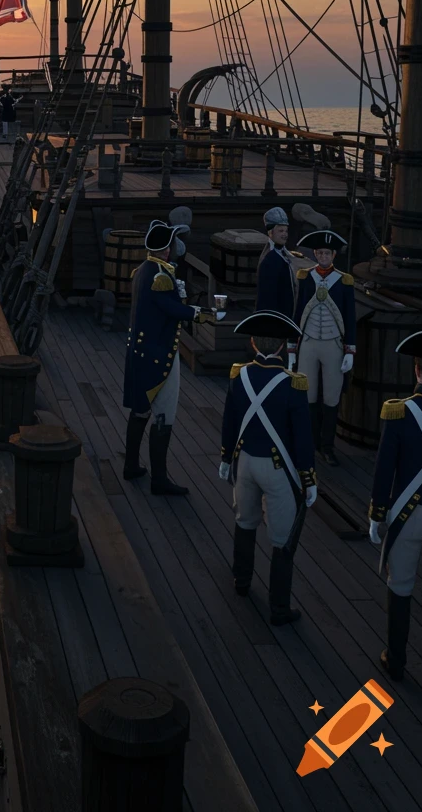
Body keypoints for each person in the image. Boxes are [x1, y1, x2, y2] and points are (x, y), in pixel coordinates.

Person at [219, 311, 317, 625]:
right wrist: (308, 478)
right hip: (278, 470)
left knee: (245, 522)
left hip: (245, 462)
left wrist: (225, 459)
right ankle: (278, 608)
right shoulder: (294, 384)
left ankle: (242, 581)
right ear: (283, 347)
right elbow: (302, 439)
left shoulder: (239, 375)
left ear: (253, 342)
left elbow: (230, 422)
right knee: (282, 539)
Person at [123, 219, 216, 495]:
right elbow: (172, 309)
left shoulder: (143, 269)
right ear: (166, 249)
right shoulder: (161, 277)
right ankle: (159, 479)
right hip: (159, 353)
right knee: (164, 412)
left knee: (140, 410)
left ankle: (130, 465)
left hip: (141, 351)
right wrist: (204, 314)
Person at [368, 330, 422, 680]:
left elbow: (384, 469)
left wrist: (378, 513)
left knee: (401, 587)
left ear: (417, 371)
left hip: (408, 514)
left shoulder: (399, 412)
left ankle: (396, 660)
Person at [293, 230, 357, 467]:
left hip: (333, 344)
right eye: (319, 253)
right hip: (308, 342)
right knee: (307, 396)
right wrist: (292, 349)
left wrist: (350, 350)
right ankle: (309, 444)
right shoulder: (305, 277)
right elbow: (298, 312)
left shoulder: (344, 281)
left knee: (331, 397)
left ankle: (327, 447)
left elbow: (350, 317)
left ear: (333, 255)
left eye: (326, 253)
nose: (323, 256)